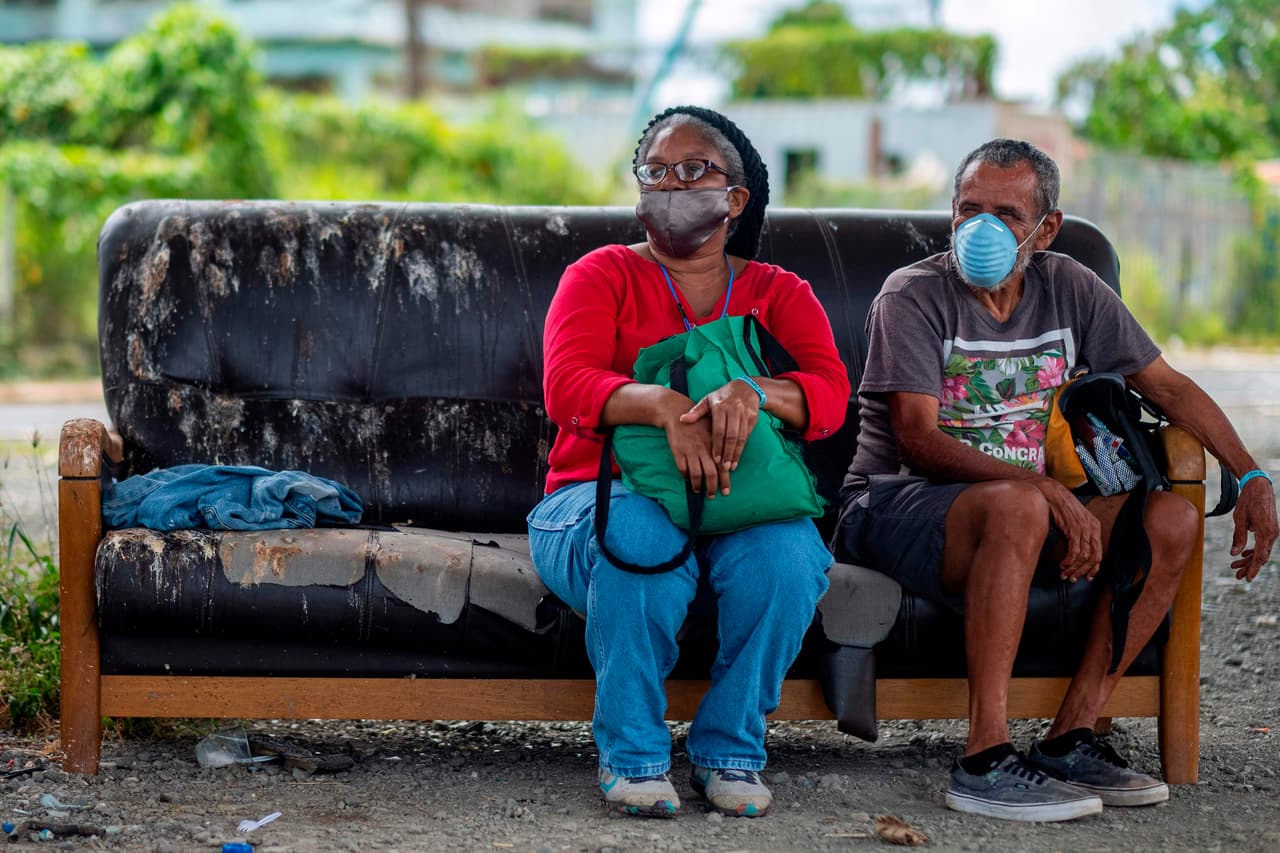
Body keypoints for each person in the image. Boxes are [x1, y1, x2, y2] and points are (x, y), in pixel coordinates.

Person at [832, 138, 1278, 823]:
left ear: (1046, 229)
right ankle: (984, 757)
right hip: (895, 508)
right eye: (967, 209)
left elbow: (1166, 386)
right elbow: (918, 440)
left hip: (1021, 513)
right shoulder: (913, 294)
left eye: (1006, 213)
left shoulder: (1067, 284)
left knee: (1170, 519)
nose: (980, 227)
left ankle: (1071, 735)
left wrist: (1249, 471)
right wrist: (1039, 490)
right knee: (1018, 503)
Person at [527, 105, 850, 819]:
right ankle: (634, 753)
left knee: (791, 557)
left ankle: (730, 748)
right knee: (643, 537)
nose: (673, 183)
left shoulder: (778, 292)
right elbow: (566, 386)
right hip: (593, 496)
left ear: (735, 198)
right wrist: (660, 405)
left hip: (740, 504)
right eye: (656, 171)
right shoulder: (601, 273)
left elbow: (828, 397)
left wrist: (754, 392)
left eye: (695, 169)